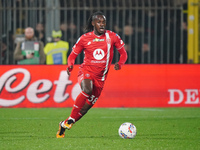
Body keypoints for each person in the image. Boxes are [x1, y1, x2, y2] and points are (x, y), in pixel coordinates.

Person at [56, 11, 128, 138]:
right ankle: (72, 117)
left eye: (103, 22)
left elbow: (123, 53)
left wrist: (120, 64)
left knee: (84, 110)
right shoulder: (84, 38)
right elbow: (72, 55)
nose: (102, 24)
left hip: (101, 78)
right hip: (86, 71)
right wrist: (70, 65)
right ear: (93, 23)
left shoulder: (112, 36)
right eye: (99, 22)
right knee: (87, 89)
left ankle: (65, 124)